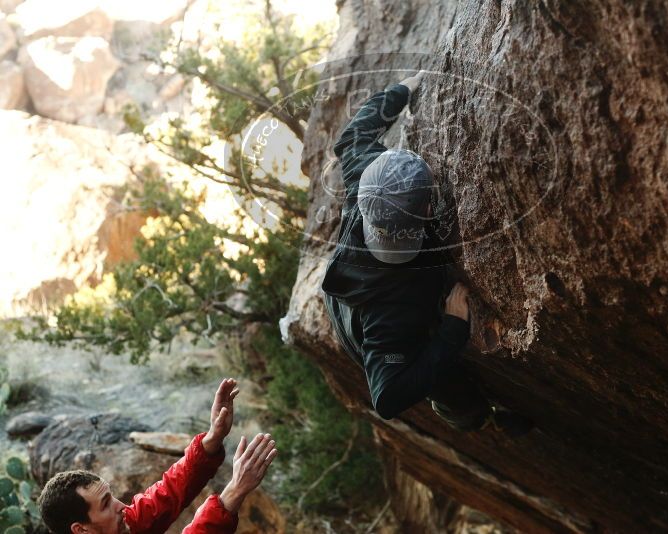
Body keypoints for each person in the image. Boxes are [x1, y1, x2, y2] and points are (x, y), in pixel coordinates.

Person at [322, 72, 530, 435]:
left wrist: (403, 90)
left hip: (346, 290)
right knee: (444, 381)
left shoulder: (365, 182)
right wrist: (451, 331)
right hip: (376, 333)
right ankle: (478, 418)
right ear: (429, 211)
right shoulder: (395, 312)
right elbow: (387, 397)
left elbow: (352, 137)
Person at [37, 378, 278, 534]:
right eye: (105, 505)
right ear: (80, 530)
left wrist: (212, 439)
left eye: (110, 497)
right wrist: (234, 491)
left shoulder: (123, 524)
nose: (122, 506)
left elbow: (167, 493)